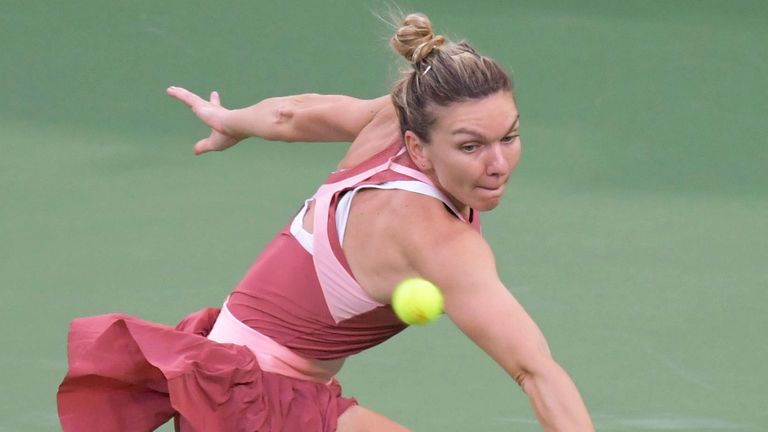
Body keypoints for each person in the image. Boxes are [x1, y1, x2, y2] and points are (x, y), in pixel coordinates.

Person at [57, 13, 594, 432]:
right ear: (418, 147)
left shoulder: (394, 117)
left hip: (223, 378)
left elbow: (289, 114)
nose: (497, 163)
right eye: (471, 146)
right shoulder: (437, 241)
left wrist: (231, 122)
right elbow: (534, 372)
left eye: (509, 137)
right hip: (255, 407)